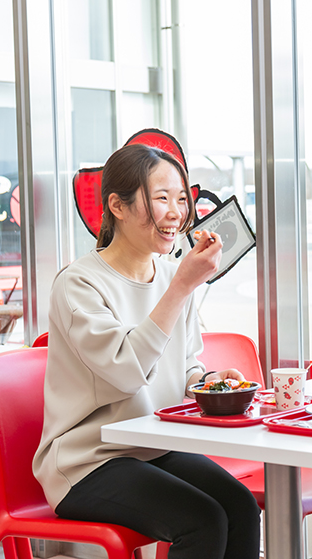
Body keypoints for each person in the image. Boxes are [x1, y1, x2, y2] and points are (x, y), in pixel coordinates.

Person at [33, 143, 261, 559]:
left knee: (242, 507)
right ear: (117, 205)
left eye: (180, 199)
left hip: (153, 446)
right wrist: (180, 289)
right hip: (88, 461)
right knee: (203, 520)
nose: (176, 212)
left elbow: (186, 364)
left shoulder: (175, 276)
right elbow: (125, 372)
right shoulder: (79, 284)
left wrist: (210, 383)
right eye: (161, 198)